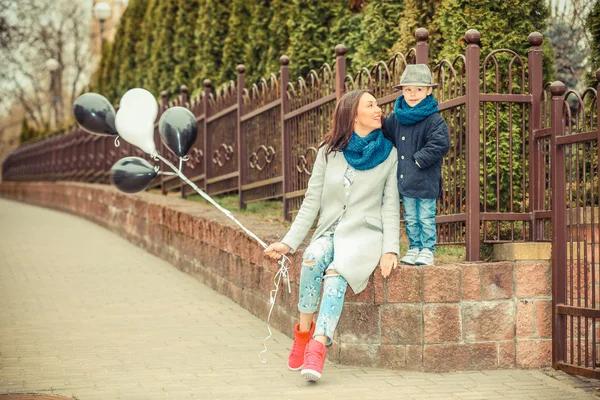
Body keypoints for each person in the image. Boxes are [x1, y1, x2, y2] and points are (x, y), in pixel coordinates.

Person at [264, 89, 400, 382]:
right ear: (353, 115)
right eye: (371, 105)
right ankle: (303, 334)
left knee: (337, 274)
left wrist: (390, 249)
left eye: (377, 105)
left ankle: (318, 344)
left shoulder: (389, 154)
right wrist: (288, 243)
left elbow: (390, 205)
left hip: (365, 235)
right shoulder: (328, 152)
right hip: (331, 230)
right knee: (312, 258)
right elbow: (311, 201)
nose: (379, 110)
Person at [382, 64, 449, 266]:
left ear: (429, 91)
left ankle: (427, 249)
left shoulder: (434, 120)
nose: (413, 94)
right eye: (408, 89)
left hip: (426, 179)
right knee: (410, 217)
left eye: (419, 89)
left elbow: (440, 143)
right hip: (406, 179)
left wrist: (418, 159)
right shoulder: (396, 119)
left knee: (426, 217)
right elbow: (385, 137)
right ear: (402, 91)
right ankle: (414, 247)